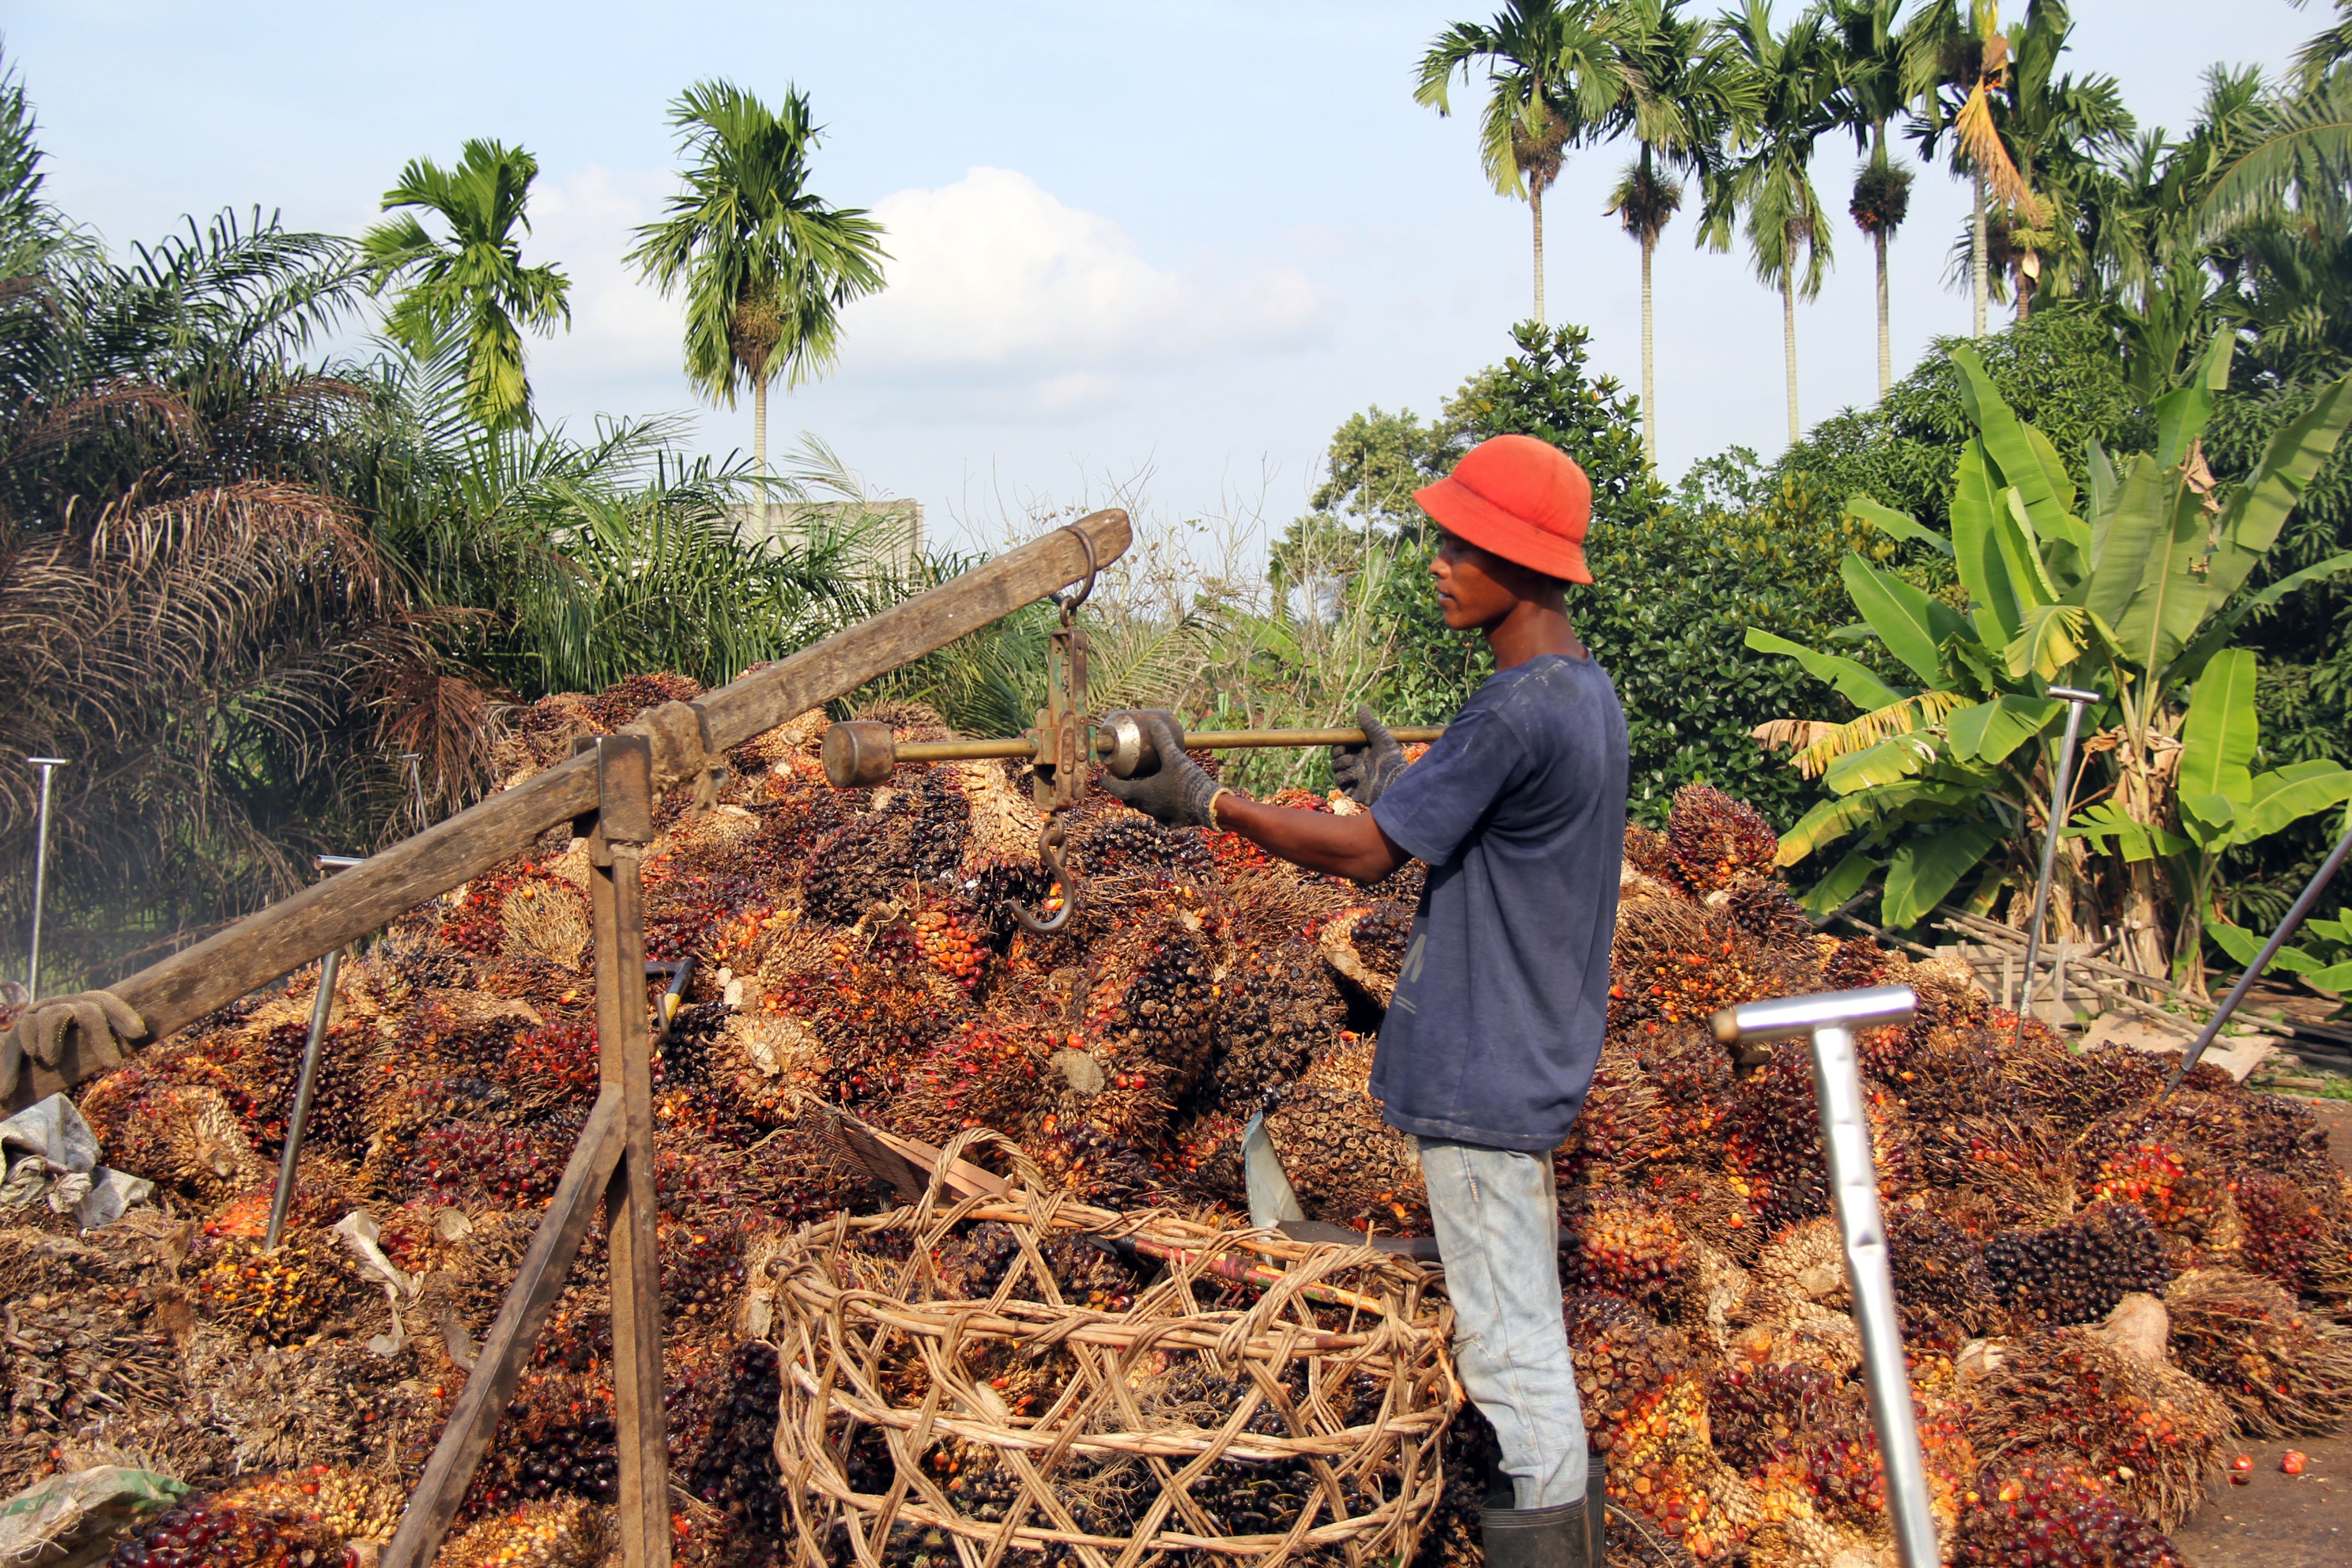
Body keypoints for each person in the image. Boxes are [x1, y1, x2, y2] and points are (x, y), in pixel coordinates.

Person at [1101, 432, 1627, 1568]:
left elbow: (1366, 861)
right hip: (1530, 1062)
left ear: (1521, 564)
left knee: (1513, 1347)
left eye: (1461, 544)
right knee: (1511, 1329)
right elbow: (1491, 835)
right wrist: (1401, 788)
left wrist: (1207, 800)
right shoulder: (1581, 698)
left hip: (1484, 1076)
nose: (1438, 561)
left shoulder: (1510, 714)